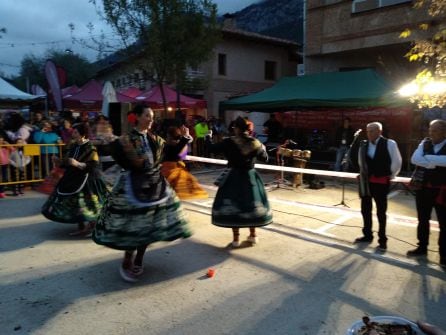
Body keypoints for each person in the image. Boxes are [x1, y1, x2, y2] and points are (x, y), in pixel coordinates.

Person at [93, 105, 191, 283]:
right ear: (137, 117)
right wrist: (104, 142)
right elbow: (112, 153)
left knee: (148, 226)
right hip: (132, 185)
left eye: (152, 117)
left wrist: (184, 138)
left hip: (155, 185)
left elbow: (171, 154)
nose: (150, 119)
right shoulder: (125, 140)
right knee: (133, 226)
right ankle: (128, 258)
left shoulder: (155, 139)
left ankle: (139, 258)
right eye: (147, 116)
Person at [206, 116, 272, 247]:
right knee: (251, 205)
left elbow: (211, 149)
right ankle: (253, 235)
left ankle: (236, 239)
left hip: (233, 177)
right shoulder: (255, 142)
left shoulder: (228, 142)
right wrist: (262, 148)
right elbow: (265, 158)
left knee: (234, 206)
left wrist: (208, 137)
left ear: (236, 128)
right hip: (250, 177)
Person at [41, 123, 108, 237]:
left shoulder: (90, 147)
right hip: (72, 178)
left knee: (88, 204)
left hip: (87, 180)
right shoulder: (73, 146)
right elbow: (67, 162)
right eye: (74, 132)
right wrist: (58, 161)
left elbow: (93, 165)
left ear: (83, 134)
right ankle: (81, 227)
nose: (73, 134)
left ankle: (92, 226)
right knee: (75, 205)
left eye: (76, 132)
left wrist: (77, 164)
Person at [354, 122, 402, 250]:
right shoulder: (363, 144)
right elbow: (360, 161)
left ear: (379, 132)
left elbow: (397, 162)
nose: (369, 133)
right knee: (365, 209)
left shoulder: (390, 143)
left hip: (381, 181)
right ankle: (367, 235)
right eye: (368, 131)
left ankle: (382, 239)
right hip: (366, 181)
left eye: (372, 131)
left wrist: (389, 175)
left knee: (381, 211)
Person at [407, 119, 446, 268]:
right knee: (422, 219)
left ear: (444, 132)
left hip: (442, 190)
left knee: (444, 224)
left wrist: (428, 159)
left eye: (435, 130)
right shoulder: (425, 142)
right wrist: (435, 162)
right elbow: (414, 159)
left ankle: (444, 254)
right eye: (430, 129)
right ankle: (422, 247)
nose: (431, 133)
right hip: (423, 188)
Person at [161, 125, 208, 200]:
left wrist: (185, 135)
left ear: (169, 136)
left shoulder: (173, 145)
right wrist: (185, 135)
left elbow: (187, 141)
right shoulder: (174, 145)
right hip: (171, 169)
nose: (167, 137)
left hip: (170, 169)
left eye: (168, 135)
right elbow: (186, 142)